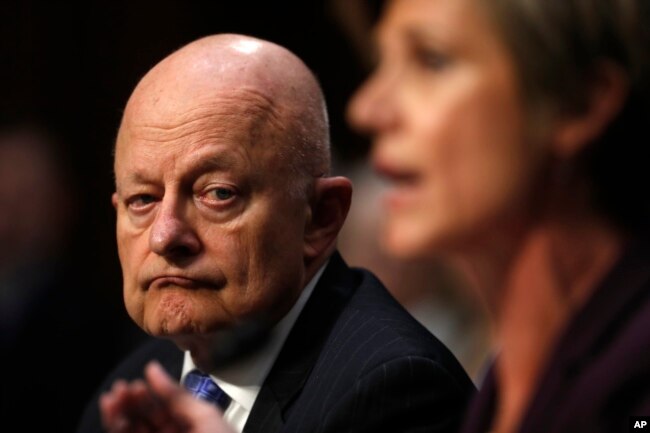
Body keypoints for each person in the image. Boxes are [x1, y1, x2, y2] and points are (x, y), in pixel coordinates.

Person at [77, 33, 475, 433]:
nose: (164, 237)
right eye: (143, 200)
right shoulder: (133, 389)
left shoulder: (396, 389)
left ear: (320, 217)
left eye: (217, 193)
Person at [347, 0, 650, 432]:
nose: (366, 109)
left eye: (431, 60)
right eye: (383, 63)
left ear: (580, 102)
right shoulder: (501, 384)